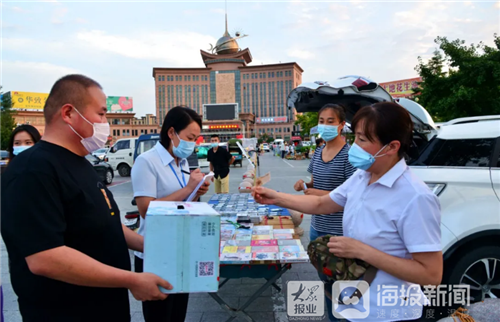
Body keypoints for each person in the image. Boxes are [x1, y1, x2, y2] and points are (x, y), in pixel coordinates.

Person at [1, 74, 172, 322]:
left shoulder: (80, 163)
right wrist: (131, 279)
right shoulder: (33, 170)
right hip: (66, 312)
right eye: (101, 114)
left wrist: (153, 247)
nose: (106, 123)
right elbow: (45, 257)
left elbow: (106, 223)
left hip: (105, 307)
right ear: (69, 113)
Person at [254, 102, 442, 322]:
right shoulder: (362, 177)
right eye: (356, 138)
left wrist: (362, 251)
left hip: (391, 313)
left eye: (363, 140)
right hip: (356, 304)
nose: (355, 146)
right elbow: (321, 204)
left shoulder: (415, 197)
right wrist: (275, 197)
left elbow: (431, 274)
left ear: (391, 147)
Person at [131, 106, 210, 322]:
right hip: (154, 253)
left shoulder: (181, 162)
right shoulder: (146, 162)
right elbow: (147, 210)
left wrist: (196, 191)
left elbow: (182, 205)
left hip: (180, 249)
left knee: (177, 314)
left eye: (195, 139)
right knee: (159, 316)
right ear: (171, 133)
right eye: (189, 137)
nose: (192, 144)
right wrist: (187, 189)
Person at [293, 104, 356, 321]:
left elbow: (351, 194)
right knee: (325, 280)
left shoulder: (349, 154)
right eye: (321, 121)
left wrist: (315, 192)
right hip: (317, 227)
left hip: (339, 231)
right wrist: (305, 183)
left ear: (341, 125)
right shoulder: (319, 151)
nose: (325, 125)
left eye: (331, 121)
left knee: (343, 284)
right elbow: (315, 181)